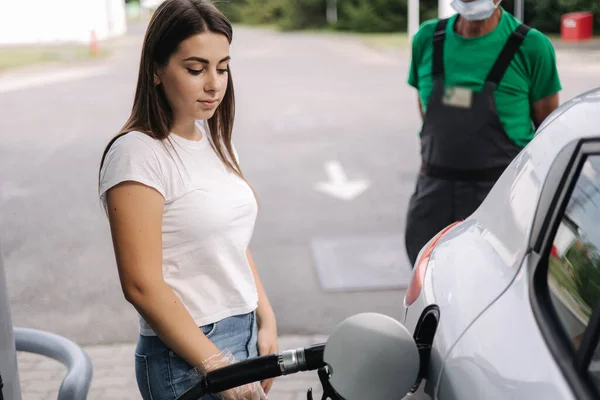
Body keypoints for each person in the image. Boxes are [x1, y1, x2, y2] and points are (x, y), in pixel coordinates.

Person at [97, 1, 278, 399]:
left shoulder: (210, 138)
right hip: (187, 353)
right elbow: (141, 284)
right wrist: (215, 363)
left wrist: (266, 318)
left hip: (242, 334)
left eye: (223, 67)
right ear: (156, 70)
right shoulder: (137, 153)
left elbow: (229, 242)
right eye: (196, 69)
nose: (214, 83)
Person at [404, 0, 562, 265]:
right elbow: (426, 109)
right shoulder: (427, 39)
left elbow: (548, 132)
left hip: (500, 204)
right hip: (432, 197)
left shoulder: (532, 47)